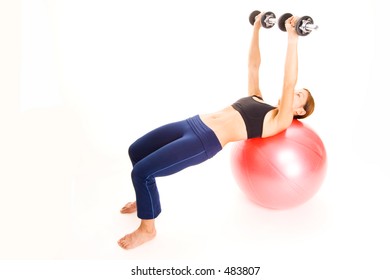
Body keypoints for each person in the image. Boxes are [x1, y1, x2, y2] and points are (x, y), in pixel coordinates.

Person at [117, 14, 315, 249]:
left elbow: (288, 82)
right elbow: (253, 65)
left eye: (298, 96)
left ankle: (147, 229)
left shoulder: (278, 119)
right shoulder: (258, 98)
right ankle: (145, 200)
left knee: (142, 173)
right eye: (298, 91)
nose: (293, 93)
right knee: (136, 150)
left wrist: (293, 39)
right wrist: (258, 28)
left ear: (300, 111)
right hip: (191, 124)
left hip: (203, 142)